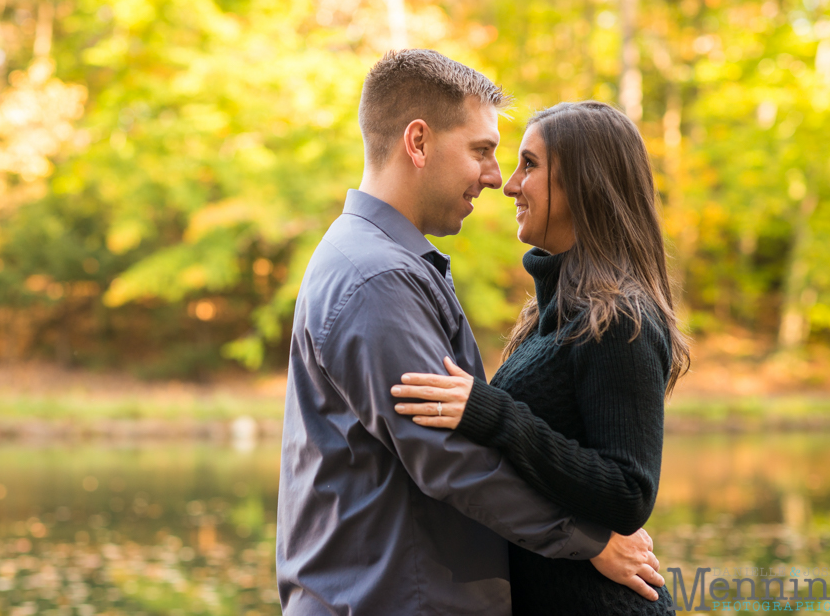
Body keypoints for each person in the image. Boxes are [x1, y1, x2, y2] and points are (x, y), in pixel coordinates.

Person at [276, 51, 665, 615]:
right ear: (418, 142)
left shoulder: (385, 262)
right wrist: (589, 540)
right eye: (483, 151)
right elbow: (450, 457)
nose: (496, 178)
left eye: (516, 162)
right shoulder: (377, 277)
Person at [391, 100, 690, 614]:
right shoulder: (553, 313)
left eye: (529, 165)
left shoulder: (619, 319)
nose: (508, 185)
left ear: (583, 184)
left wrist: (494, 413)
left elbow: (629, 492)